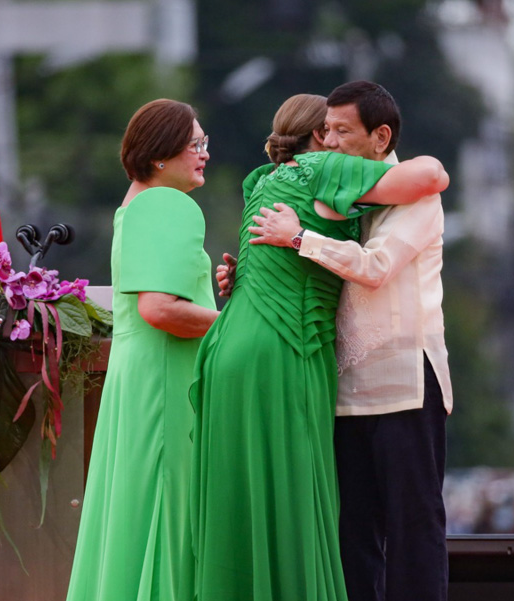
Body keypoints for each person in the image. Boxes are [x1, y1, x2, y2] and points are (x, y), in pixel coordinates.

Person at [189, 93, 448, 601]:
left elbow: (374, 268)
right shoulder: (336, 183)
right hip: (342, 387)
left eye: (342, 132)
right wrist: (254, 277)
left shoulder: (411, 195)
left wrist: (298, 240)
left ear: (381, 138)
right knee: (349, 535)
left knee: (413, 529)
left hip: (403, 383)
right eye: (325, 131)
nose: (330, 142)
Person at [67, 99, 219, 601]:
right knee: (166, 511)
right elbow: (160, 309)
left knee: (134, 513)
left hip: (139, 375)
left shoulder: (133, 204)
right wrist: (234, 325)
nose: (204, 154)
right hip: (166, 378)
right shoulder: (166, 203)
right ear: (160, 155)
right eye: (195, 144)